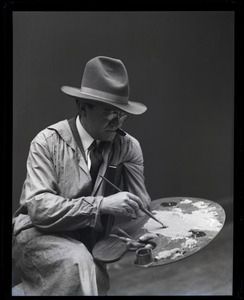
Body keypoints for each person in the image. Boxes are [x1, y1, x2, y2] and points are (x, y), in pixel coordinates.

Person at [12, 56, 151, 296]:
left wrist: (141, 232)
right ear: (82, 107)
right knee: (77, 265)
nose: (117, 122)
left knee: (92, 274)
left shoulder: (127, 147)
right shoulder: (46, 142)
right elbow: (40, 210)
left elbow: (140, 206)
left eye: (122, 113)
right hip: (39, 236)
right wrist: (102, 204)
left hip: (87, 241)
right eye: (109, 112)